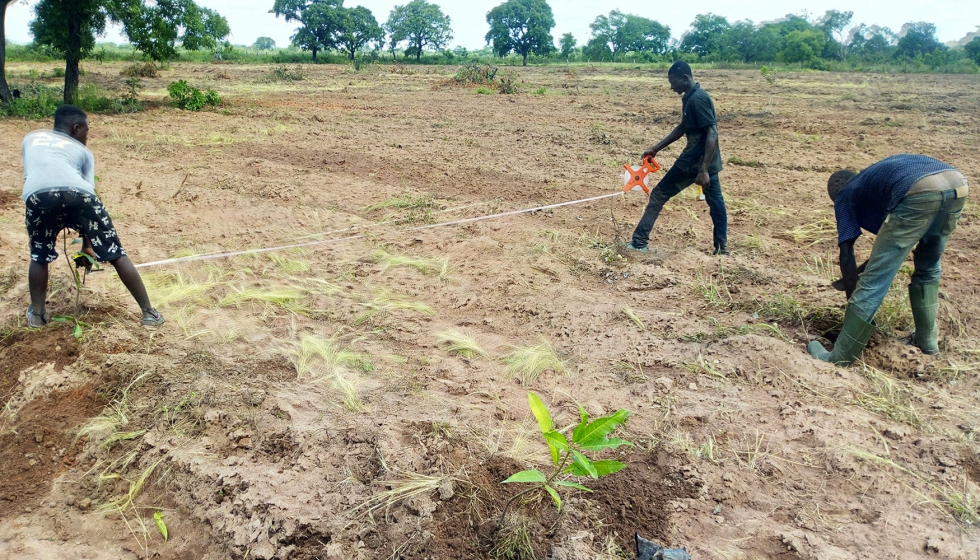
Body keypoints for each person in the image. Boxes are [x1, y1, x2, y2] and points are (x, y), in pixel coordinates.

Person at [808, 154, 968, 365]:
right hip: (956, 184)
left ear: (838, 188)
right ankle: (927, 341)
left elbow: (847, 252)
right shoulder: (875, 182)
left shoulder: (845, 193)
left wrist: (853, 297)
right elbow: (888, 248)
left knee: (873, 280)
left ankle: (841, 357)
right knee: (928, 265)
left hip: (918, 190)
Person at [21, 105, 164, 329]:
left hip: (38, 196)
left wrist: (84, 246)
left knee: (39, 255)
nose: (86, 138)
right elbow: (87, 193)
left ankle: (37, 315)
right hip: (79, 194)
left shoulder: (31, 139)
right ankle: (149, 313)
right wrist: (89, 244)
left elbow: (34, 175)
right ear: (75, 128)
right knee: (116, 253)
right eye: (86, 132)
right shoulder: (84, 152)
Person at [628, 60, 728, 256]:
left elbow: (712, 133)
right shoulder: (690, 97)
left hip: (693, 162)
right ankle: (722, 249)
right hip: (706, 162)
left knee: (659, 194)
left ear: (685, 78)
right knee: (716, 202)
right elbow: (683, 127)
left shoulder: (698, 99)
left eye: (673, 82)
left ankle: (639, 242)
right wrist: (655, 149)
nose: (671, 87)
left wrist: (703, 169)